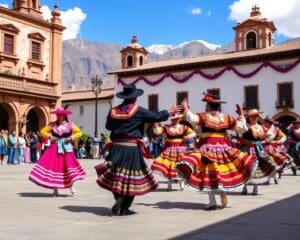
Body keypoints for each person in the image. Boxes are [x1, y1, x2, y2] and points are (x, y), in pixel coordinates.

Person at [95, 83, 180, 216]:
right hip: (131, 149)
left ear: (124, 97)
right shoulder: (138, 110)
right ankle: (124, 208)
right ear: (134, 98)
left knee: (113, 176)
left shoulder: (113, 111)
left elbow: (108, 126)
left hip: (116, 148)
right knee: (131, 178)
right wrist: (167, 112)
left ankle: (118, 198)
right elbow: (155, 116)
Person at [176, 93, 257, 210]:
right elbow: (243, 128)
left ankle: (212, 201)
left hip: (207, 145)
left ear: (208, 106)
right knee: (223, 169)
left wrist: (186, 107)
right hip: (224, 146)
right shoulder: (227, 118)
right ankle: (222, 189)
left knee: (208, 172)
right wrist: (240, 115)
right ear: (219, 107)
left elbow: (192, 118)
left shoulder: (204, 116)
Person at [29, 107, 86, 197]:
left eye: (61, 114)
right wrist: (50, 136)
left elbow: (79, 132)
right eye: (57, 114)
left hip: (66, 148)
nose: (59, 116)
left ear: (64, 115)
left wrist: (70, 138)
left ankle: (71, 186)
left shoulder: (70, 124)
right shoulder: (52, 125)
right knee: (54, 167)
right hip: (54, 148)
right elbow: (42, 131)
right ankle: (55, 191)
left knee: (67, 167)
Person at [151, 113, 196, 191]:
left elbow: (193, 133)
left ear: (179, 119)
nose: (175, 120)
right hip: (169, 148)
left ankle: (182, 184)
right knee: (169, 166)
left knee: (180, 166)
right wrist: (155, 125)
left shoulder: (184, 127)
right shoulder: (166, 127)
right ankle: (169, 184)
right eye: (173, 118)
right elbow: (157, 132)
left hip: (181, 149)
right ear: (171, 119)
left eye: (176, 118)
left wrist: (187, 137)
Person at [239, 109, 276, 195]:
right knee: (245, 166)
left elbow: (271, 134)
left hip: (258, 149)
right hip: (246, 148)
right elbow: (239, 134)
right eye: (253, 116)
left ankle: (255, 187)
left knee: (258, 166)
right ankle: (244, 187)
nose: (255, 118)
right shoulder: (246, 126)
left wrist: (264, 141)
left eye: (256, 116)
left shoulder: (261, 127)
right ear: (249, 117)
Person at [262, 116, 294, 180]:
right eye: (269, 122)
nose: (270, 123)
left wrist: (280, 141)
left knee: (282, 156)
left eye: (271, 122)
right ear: (265, 122)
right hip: (263, 146)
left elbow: (283, 136)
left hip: (274, 146)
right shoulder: (260, 128)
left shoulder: (276, 129)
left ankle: (280, 168)